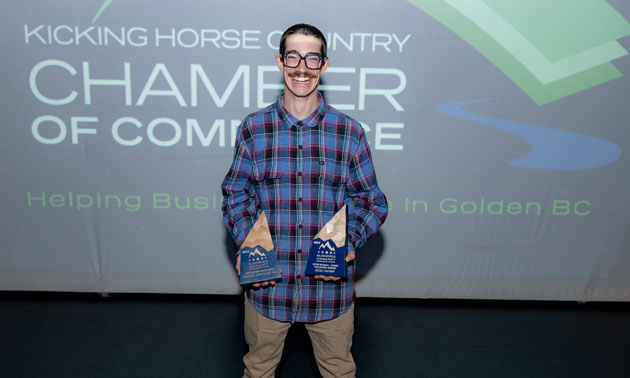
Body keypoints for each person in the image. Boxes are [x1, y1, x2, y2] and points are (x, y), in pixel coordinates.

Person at [221, 23, 388, 378]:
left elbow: (371, 201)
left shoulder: (349, 132)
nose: (302, 66)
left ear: (324, 66)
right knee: (258, 370)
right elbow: (236, 193)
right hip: (269, 288)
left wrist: (350, 239)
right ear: (280, 62)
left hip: (329, 293)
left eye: (312, 57)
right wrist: (247, 241)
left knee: (340, 372)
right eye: (293, 56)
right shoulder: (254, 128)